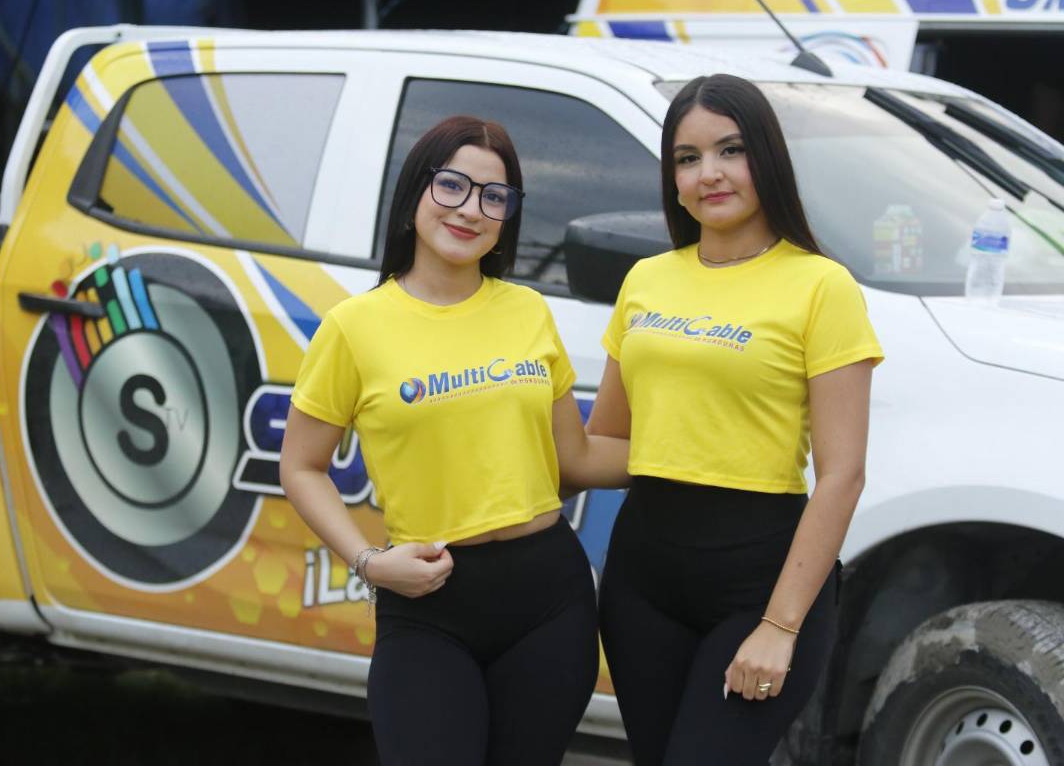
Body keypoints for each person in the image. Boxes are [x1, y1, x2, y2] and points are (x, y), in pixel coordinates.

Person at [279, 115, 629, 766]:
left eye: (494, 197)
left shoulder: (527, 312)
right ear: (415, 194)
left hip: (549, 602)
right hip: (429, 602)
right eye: (452, 186)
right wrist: (367, 562)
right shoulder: (354, 328)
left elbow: (574, 460)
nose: (471, 209)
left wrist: (704, 453)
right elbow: (301, 466)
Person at [588, 74, 884, 764]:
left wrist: (780, 625)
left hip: (758, 582)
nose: (708, 174)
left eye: (730, 150)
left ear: (767, 161)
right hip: (642, 580)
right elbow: (607, 444)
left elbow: (843, 475)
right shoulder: (647, 279)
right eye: (687, 158)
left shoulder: (820, 285)